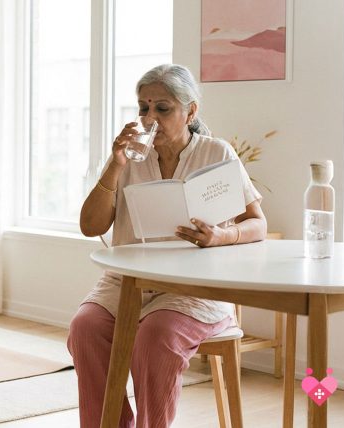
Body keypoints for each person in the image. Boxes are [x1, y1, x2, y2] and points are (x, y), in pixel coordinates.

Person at [67, 64, 267, 428]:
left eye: (163, 108)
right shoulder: (127, 158)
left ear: (190, 111)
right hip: (127, 281)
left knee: (156, 337)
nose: (150, 118)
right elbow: (89, 226)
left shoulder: (217, 154)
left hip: (193, 288)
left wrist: (221, 236)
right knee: (85, 327)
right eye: (143, 108)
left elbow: (257, 224)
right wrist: (114, 165)